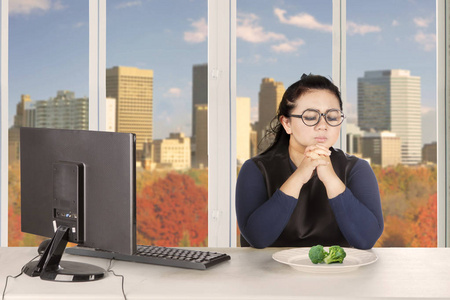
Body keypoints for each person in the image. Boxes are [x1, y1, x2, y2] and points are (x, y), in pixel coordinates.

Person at [236, 74, 384, 249]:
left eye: (332, 116)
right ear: (287, 123)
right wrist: (299, 176)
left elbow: (366, 240)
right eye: (311, 117)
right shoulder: (255, 169)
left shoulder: (356, 169)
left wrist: (331, 179)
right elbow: (257, 238)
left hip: (336, 273)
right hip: (268, 273)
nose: (323, 125)